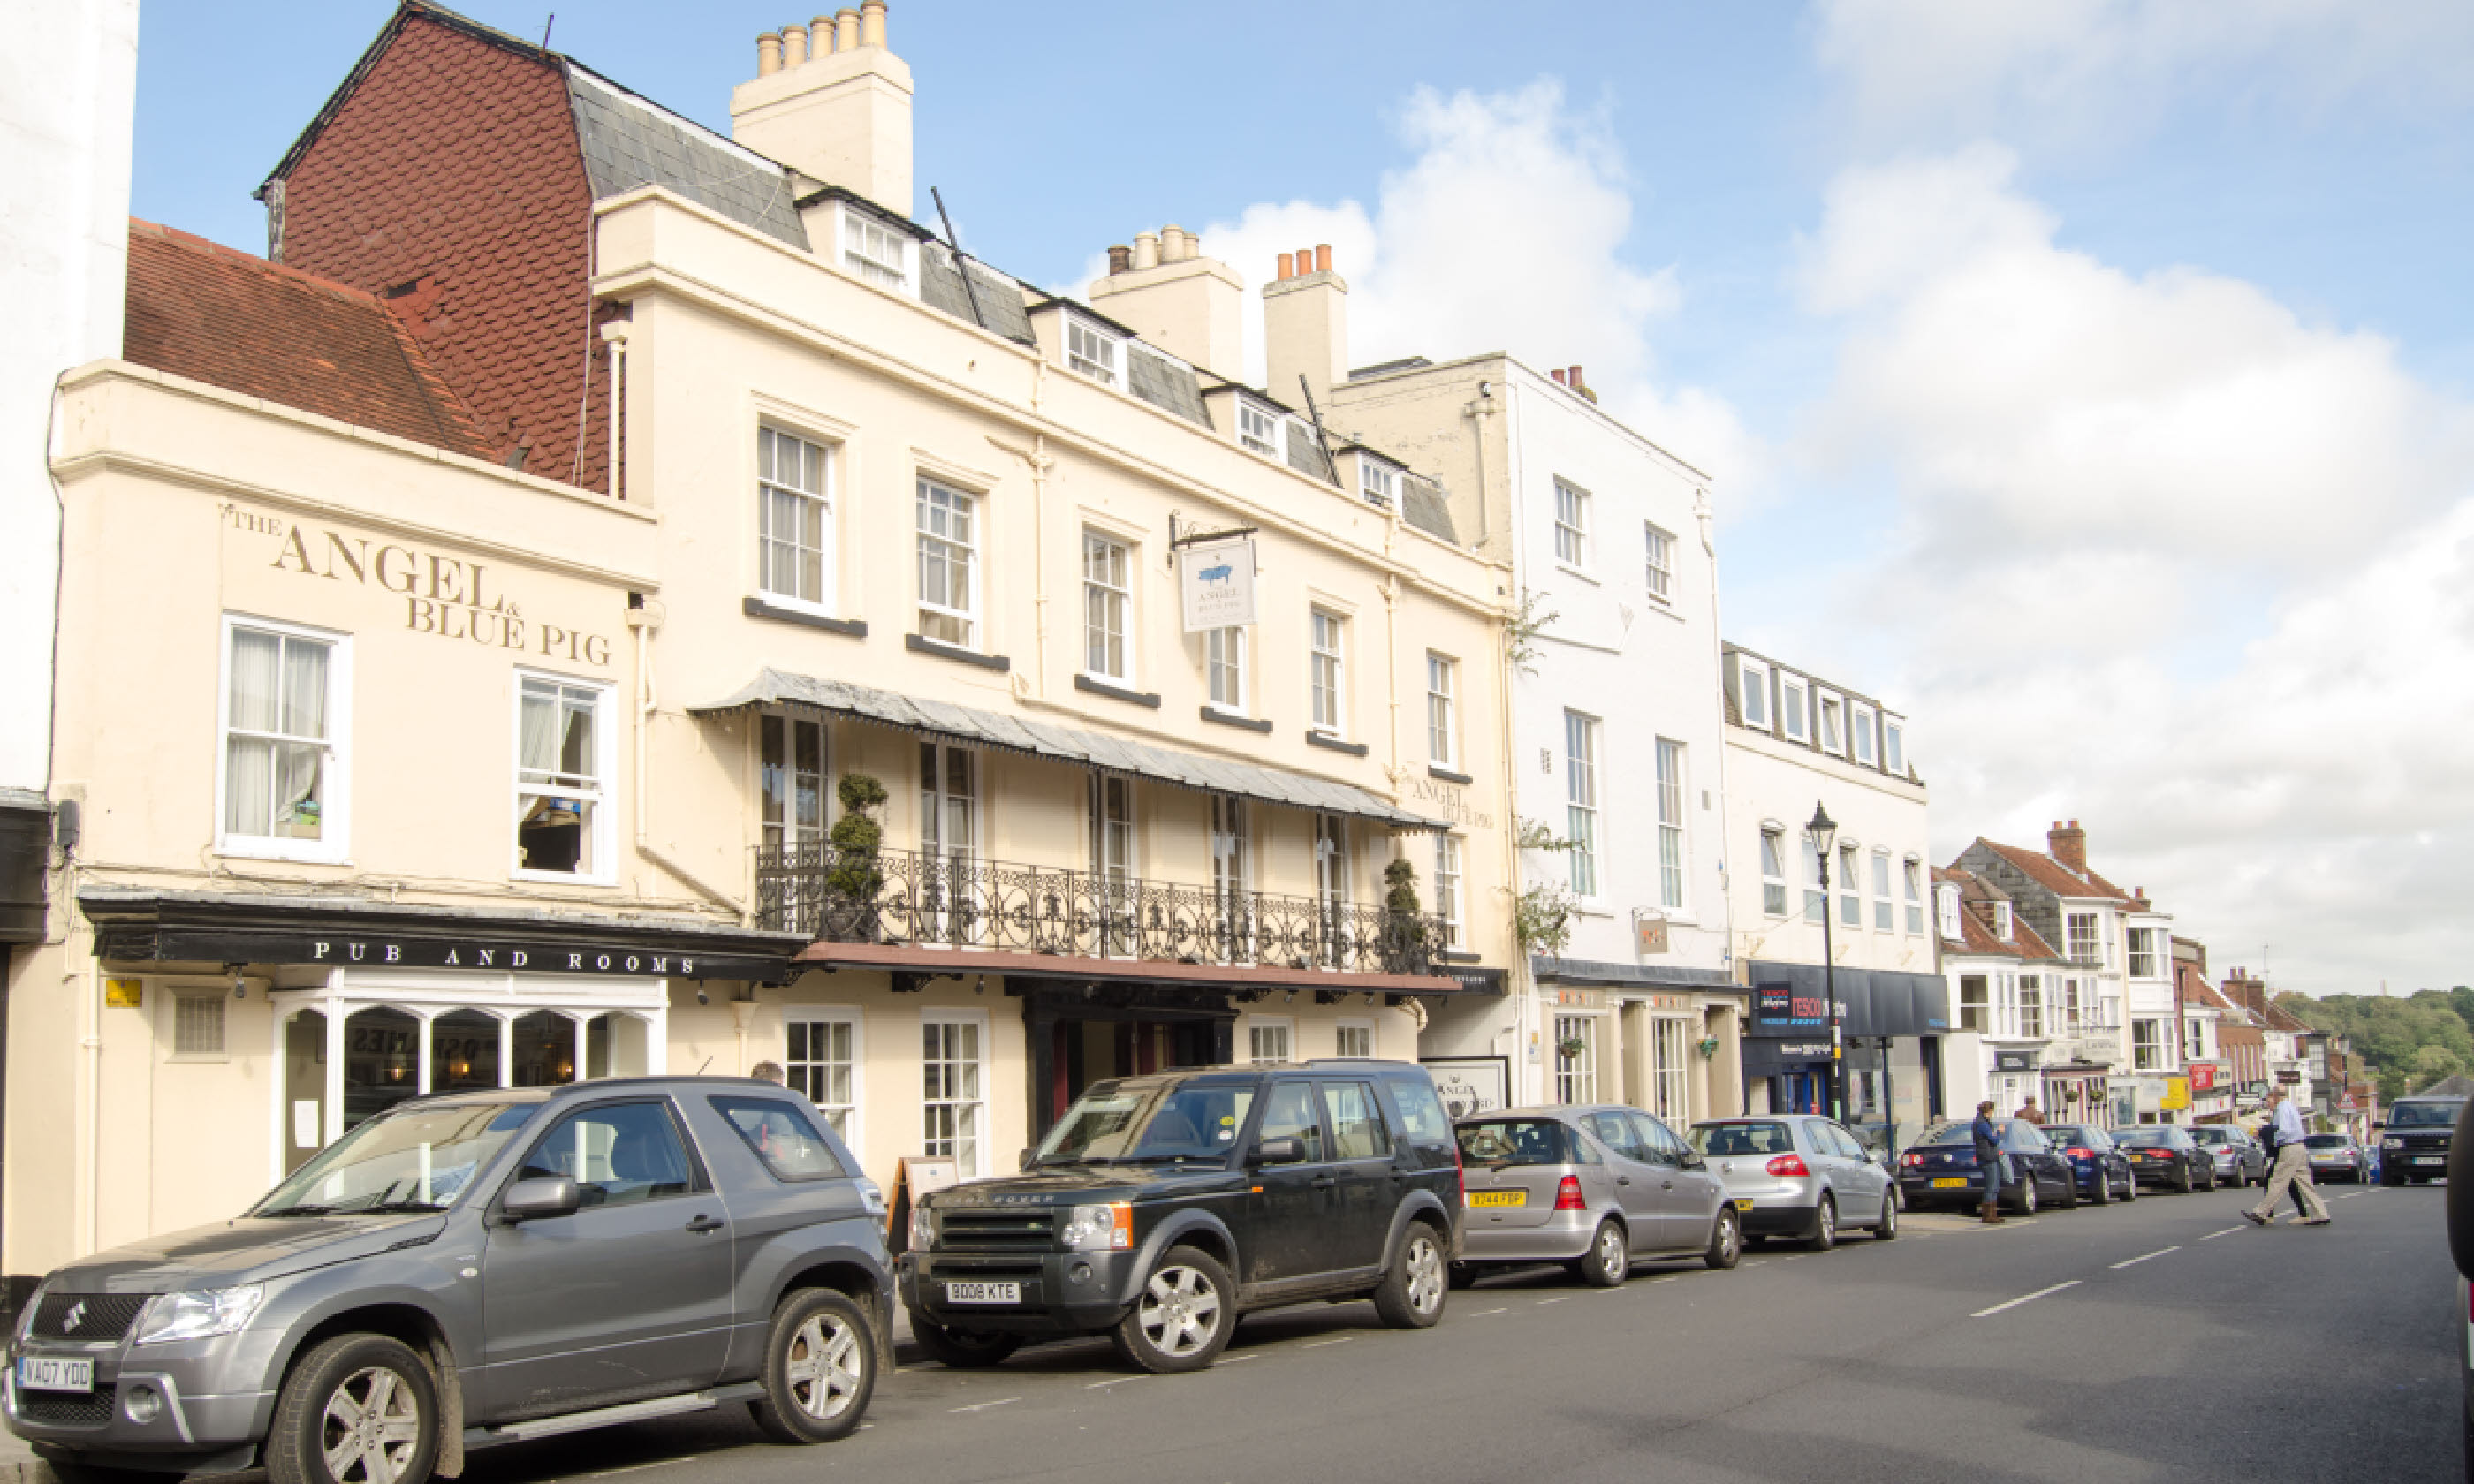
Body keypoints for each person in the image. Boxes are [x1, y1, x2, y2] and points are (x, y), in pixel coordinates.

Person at [2243, 1086, 2330, 1227]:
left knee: (2277, 1180)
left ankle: (2261, 1212)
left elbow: (2284, 1130)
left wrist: (2274, 1140)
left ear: (2276, 1096)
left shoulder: (2282, 1109)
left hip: (2289, 1147)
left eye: (2271, 1095)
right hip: (2300, 1146)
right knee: (2305, 1183)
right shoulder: (2290, 1106)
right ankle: (2321, 1214)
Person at [1973, 1100, 2008, 1225]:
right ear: (1988, 1111)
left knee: (1993, 1186)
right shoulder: (1982, 1124)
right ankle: (1988, 1216)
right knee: (1991, 1186)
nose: (1992, 1114)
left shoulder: (1980, 1122)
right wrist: (1999, 1132)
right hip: (1988, 1158)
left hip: (1986, 1156)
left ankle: (1992, 1215)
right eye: (1992, 1111)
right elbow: (1993, 1140)